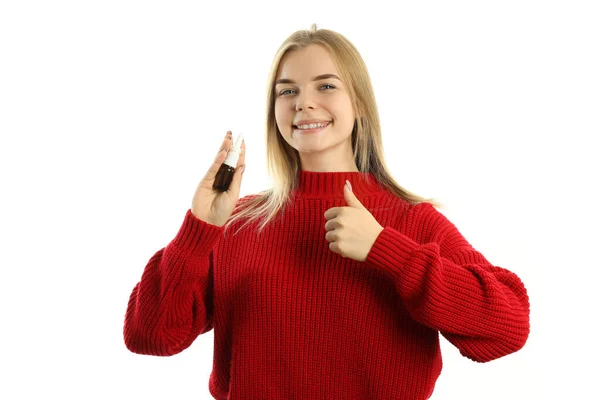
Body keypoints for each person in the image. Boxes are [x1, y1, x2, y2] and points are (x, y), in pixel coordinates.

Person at [123, 23, 530, 400]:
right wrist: (200, 230)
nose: (304, 103)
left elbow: (508, 328)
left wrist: (389, 251)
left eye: (326, 86)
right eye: (287, 91)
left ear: (360, 105)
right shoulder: (236, 224)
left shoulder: (410, 220)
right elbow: (150, 336)